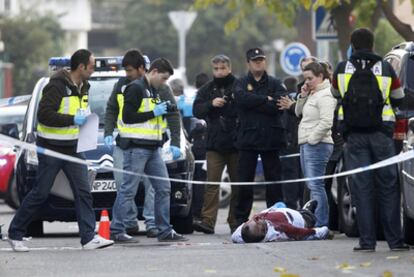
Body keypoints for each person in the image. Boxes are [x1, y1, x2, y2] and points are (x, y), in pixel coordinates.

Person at [8, 49, 114, 252]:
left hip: (74, 147)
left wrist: (85, 124)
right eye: (91, 67)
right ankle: (15, 234)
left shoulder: (84, 86)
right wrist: (73, 120)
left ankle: (88, 238)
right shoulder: (56, 85)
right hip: (51, 148)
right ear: (81, 67)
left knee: (84, 192)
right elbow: (44, 115)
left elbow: (79, 111)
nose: (93, 70)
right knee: (40, 193)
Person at [331, 28, 408, 252]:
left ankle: (367, 242)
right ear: (373, 45)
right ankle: (395, 241)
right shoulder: (385, 67)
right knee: (389, 187)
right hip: (382, 135)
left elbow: (336, 95)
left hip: (354, 136)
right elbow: (399, 98)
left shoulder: (341, 68)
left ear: (352, 46)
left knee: (361, 189)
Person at [104, 49, 181, 239]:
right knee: (128, 190)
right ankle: (117, 230)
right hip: (136, 148)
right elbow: (127, 117)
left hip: (153, 148)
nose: (164, 83)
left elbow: (167, 115)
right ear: (153, 72)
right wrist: (153, 113)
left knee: (163, 188)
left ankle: (163, 230)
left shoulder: (154, 88)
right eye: (163, 78)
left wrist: (165, 112)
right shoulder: (135, 88)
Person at [234, 47, 287, 230]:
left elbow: (279, 104)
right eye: (255, 60)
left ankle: (276, 220)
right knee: (244, 183)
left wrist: (255, 101)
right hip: (248, 138)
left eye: (261, 59)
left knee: (274, 182)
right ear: (248, 63)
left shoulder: (275, 82)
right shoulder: (240, 82)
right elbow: (241, 100)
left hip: (270, 138)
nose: (259, 62)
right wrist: (266, 99)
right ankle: (240, 221)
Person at [192, 55, 239, 234]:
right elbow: (197, 109)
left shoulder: (239, 85)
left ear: (229, 68)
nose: (219, 72)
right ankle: (208, 221)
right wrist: (211, 104)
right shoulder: (207, 89)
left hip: (236, 144)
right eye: (216, 69)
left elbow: (246, 106)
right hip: (214, 144)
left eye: (222, 68)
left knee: (238, 185)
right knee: (212, 185)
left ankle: (235, 220)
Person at [295, 61, 336, 227]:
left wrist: (312, 139)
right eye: (305, 79)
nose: (307, 82)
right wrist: (303, 95)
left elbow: (327, 122)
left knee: (316, 185)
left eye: (310, 79)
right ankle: (315, 222)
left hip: (317, 144)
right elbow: (298, 112)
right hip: (306, 143)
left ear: (320, 76)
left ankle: (321, 223)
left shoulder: (326, 94)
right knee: (311, 185)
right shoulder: (313, 93)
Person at [231, 200, 332, 243]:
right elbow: (301, 233)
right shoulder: (279, 229)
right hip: (296, 218)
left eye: (255, 219)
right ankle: (307, 210)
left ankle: (280, 207)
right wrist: (319, 231)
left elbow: (235, 236)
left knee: (280, 205)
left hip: (276, 210)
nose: (258, 218)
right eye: (263, 229)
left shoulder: (246, 234)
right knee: (309, 218)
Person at [278, 76, 303, 209]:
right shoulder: (300, 98)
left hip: (288, 143)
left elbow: (284, 122)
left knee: (289, 175)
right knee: (301, 174)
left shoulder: (284, 101)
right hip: (301, 141)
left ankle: (291, 205)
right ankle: (303, 203)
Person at [190, 72, 210, 220]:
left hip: (189, 143)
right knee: (201, 179)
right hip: (204, 143)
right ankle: (199, 212)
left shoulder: (188, 98)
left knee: (191, 179)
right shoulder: (207, 99)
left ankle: (192, 211)